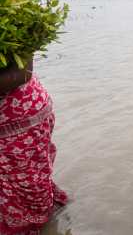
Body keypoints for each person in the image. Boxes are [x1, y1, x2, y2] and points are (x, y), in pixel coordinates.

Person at [0, 57, 68, 233]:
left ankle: (42, 224)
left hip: (18, 123)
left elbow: (23, 71)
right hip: (21, 116)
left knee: (29, 184)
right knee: (26, 181)